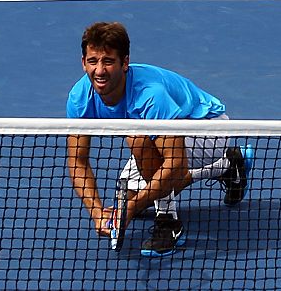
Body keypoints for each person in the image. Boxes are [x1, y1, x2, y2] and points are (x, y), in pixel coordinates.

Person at [65, 21, 250, 257]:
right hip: (168, 137)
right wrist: (97, 212)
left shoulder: (150, 96)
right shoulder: (80, 98)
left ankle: (168, 223)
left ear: (125, 63)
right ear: (83, 63)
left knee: (138, 147)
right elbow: (78, 161)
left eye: (108, 61)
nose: (99, 71)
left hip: (208, 130)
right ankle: (229, 165)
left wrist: (129, 209)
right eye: (93, 61)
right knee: (133, 192)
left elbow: (175, 165)